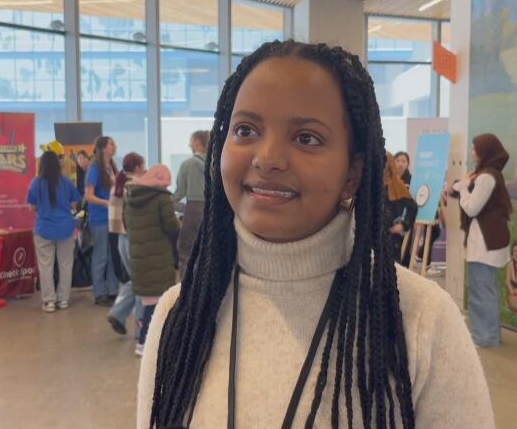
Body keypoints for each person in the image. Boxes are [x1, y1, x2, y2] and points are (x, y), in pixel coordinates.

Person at [138, 41, 493, 428]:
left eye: (307, 137)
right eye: (245, 130)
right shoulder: (181, 314)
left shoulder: (420, 321)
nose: (267, 158)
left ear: (352, 173)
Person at [452, 133, 512, 348]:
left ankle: (484, 337)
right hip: (488, 242)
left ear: (485, 151)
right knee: (487, 290)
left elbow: (471, 207)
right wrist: (467, 185)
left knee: (481, 291)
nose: (471, 152)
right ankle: (490, 334)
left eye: (474, 148)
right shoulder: (489, 174)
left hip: (485, 244)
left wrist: (462, 190)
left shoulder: (486, 177)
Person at [125, 165, 178, 357]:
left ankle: (142, 338)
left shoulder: (130, 196)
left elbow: (127, 224)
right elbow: (171, 227)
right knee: (160, 303)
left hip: (139, 255)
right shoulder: (162, 198)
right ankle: (146, 342)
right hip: (159, 256)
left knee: (147, 302)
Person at [27, 150, 81, 313]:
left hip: (44, 229)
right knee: (65, 265)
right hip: (65, 228)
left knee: (46, 267)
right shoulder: (66, 182)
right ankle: (63, 299)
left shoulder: (35, 183)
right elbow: (75, 203)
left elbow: (32, 207)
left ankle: (49, 301)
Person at [107, 153, 146, 337]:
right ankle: (141, 331)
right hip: (135, 238)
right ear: (138, 167)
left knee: (135, 279)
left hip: (121, 239)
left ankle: (118, 313)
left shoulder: (118, 183)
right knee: (143, 284)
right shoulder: (136, 185)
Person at [85, 136, 120, 306]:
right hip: (99, 217)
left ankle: (113, 290)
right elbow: (89, 196)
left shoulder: (112, 167)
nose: (114, 147)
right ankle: (99, 293)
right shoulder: (94, 168)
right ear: (103, 148)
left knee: (113, 254)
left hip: (113, 216)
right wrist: (106, 203)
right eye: (111, 144)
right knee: (101, 255)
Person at [174, 130, 209, 278]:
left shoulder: (188, 164)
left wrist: (166, 200)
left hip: (193, 211)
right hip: (210, 210)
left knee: (186, 251)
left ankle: (186, 289)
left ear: (196, 142)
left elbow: (180, 192)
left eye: (190, 140)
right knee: (206, 251)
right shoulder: (213, 163)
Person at [384, 152, 417, 264]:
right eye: (398, 161)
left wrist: (403, 224)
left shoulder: (398, 185)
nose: (400, 164)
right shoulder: (374, 183)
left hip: (392, 236)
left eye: (403, 161)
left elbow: (412, 207)